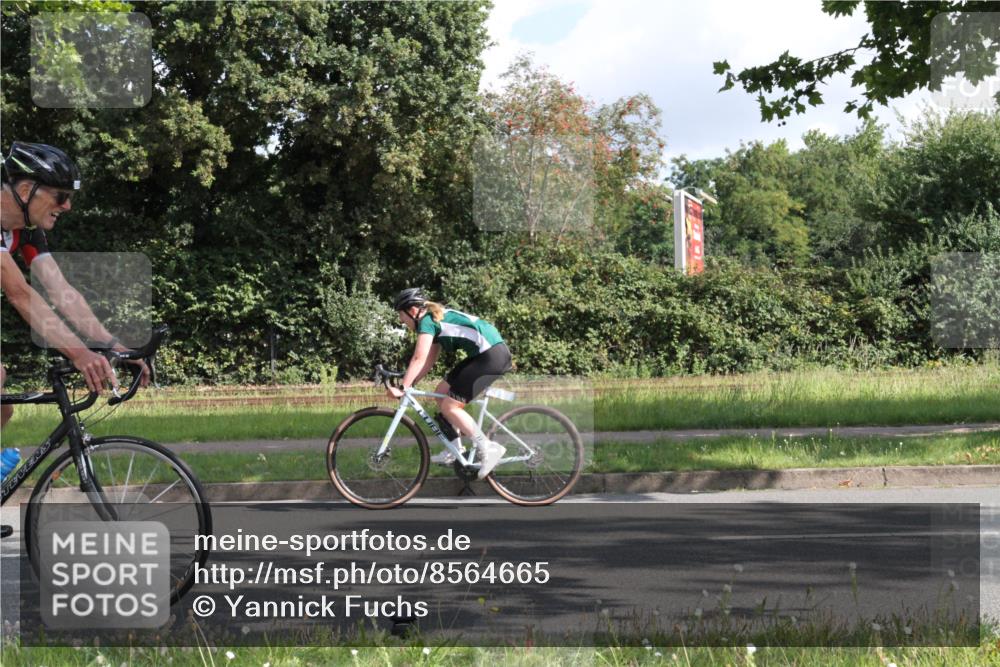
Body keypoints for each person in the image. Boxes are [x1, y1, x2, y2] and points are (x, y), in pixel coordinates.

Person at [1, 141, 148, 537]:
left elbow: (60, 291)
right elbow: (20, 294)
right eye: (61, 196)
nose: (66, 206)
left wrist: (110, 345)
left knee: (1, 408)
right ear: (28, 190)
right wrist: (81, 355)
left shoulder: (25, 233)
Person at [389, 288, 512, 479]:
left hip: (491, 356)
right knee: (442, 392)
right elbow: (428, 360)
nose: (400, 321)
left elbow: (418, 358)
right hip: (484, 355)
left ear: (412, 311)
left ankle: (487, 447)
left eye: (401, 315)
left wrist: (403, 387)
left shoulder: (428, 322)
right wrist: (410, 384)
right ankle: (454, 451)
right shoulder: (433, 320)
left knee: (451, 406)